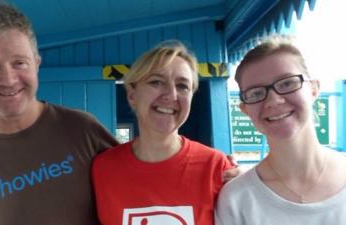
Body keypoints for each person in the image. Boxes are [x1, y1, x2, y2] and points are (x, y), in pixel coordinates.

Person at [0, 1, 118, 225]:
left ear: (36, 63)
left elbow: (137, 193)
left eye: (19, 62)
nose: (8, 79)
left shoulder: (82, 129)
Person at [92, 40, 235, 225]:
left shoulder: (216, 167)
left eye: (183, 86)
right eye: (156, 82)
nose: (171, 95)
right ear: (132, 95)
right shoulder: (102, 169)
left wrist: (250, 185)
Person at [215, 35, 346, 225]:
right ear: (245, 109)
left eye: (287, 83)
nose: (274, 100)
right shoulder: (237, 199)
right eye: (256, 93)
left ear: (314, 89)